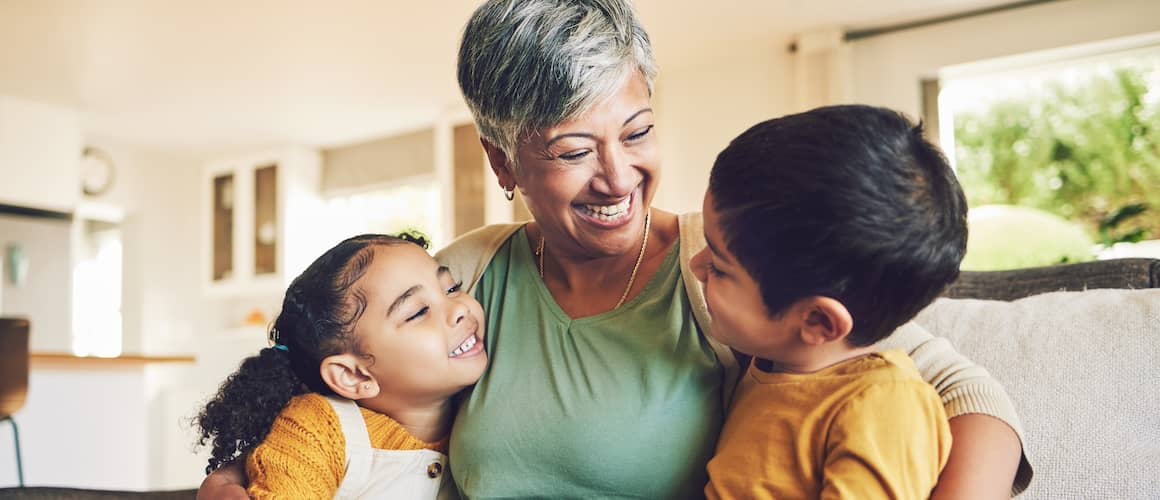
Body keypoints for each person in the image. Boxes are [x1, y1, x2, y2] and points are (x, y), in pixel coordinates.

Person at [200, 1, 1031, 498]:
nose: (617, 177)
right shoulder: (469, 276)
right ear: (502, 162)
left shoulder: (727, 271)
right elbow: (343, 368)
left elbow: (957, 386)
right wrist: (241, 474)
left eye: (636, 132)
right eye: (571, 151)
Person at [695, 105, 964, 499]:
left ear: (818, 322)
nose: (695, 265)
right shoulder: (769, 366)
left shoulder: (882, 407)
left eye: (719, 268)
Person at [195, 233, 486, 499]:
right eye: (419, 312)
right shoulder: (316, 430)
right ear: (352, 374)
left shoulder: (482, 409)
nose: (460, 308)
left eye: (451, 289)